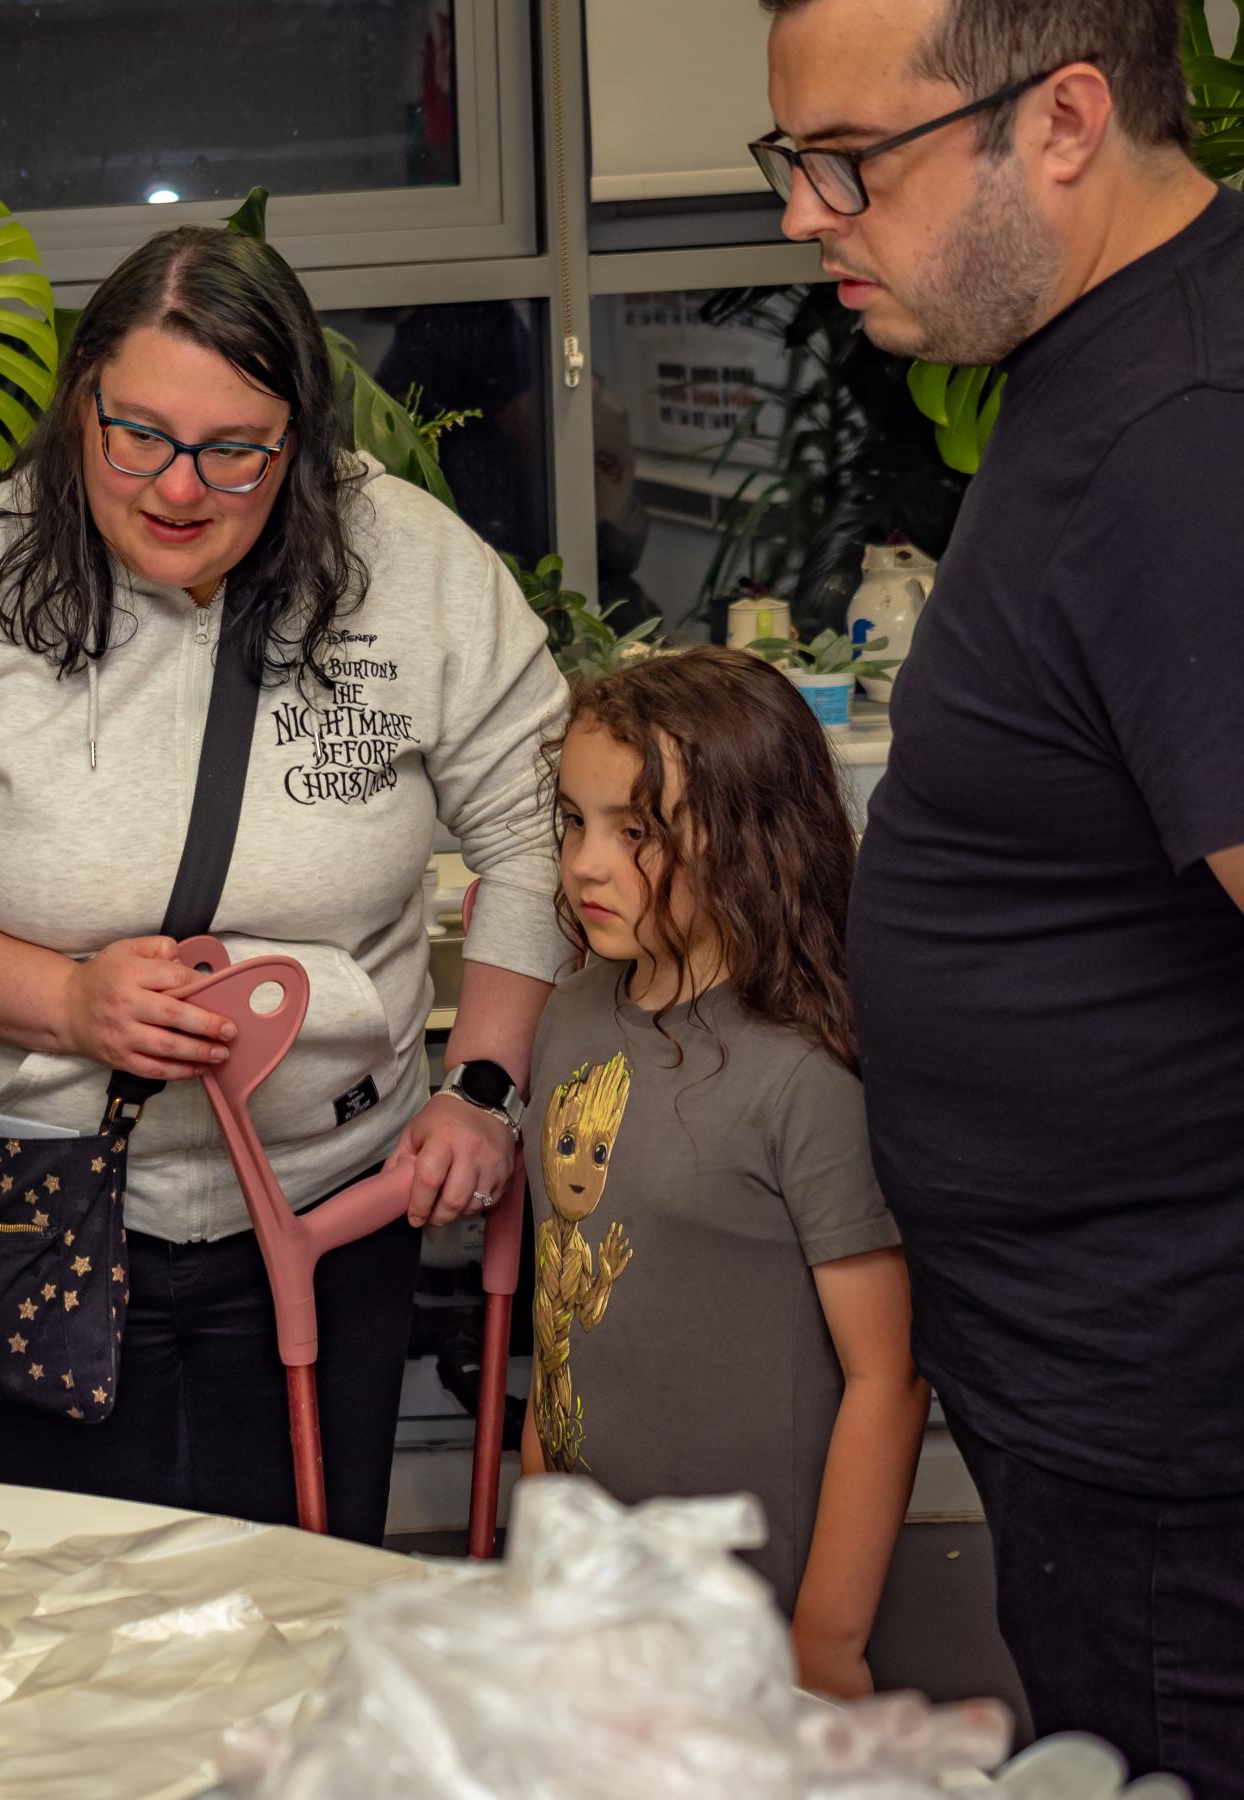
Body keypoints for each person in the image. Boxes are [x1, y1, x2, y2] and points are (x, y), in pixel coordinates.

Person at [0, 226, 569, 1543]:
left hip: (336, 1197)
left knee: (309, 1595)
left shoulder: (413, 568)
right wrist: (62, 1001)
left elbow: (540, 829)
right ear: (77, 398)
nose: (181, 489)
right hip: (47, 1210)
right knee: (90, 1614)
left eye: (237, 452)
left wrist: (485, 1088)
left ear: (301, 440)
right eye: (136, 435)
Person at [758, 0, 1244, 1781]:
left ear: (1061, 119)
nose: (806, 211)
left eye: (849, 161)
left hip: (1186, 1471)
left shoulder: (1188, 436)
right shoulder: (1114, 354)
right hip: (1118, 1422)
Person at [520, 647, 927, 1699]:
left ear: (751, 837)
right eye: (573, 821)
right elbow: (559, 1315)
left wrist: (826, 1642)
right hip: (588, 1606)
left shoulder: (805, 1074)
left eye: (636, 831)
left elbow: (889, 1375)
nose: (584, 864)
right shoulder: (567, 1017)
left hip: (748, 1627)